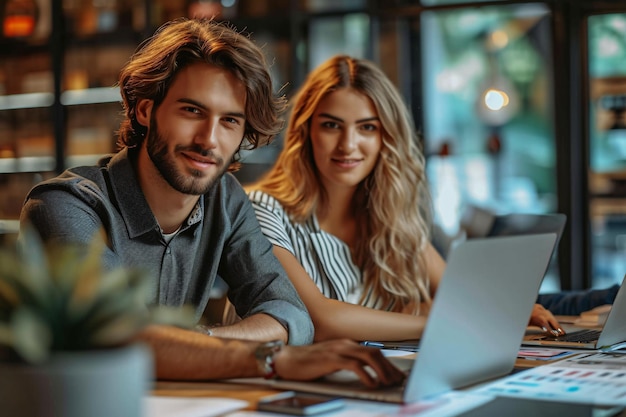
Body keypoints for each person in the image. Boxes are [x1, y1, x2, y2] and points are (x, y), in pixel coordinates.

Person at [18, 18, 404, 386]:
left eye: (230, 121)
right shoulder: (65, 206)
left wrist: (196, 342)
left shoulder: (225, 199)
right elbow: (116, 337)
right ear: (145, 109)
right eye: (192, 111)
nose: (209, 139)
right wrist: (267, 358)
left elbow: (290, 315)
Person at [246, 55, 564, 343]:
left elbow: (461, 296)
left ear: (386, 137)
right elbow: (321, 320)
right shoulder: (262, 210)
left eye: (367, 127)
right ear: (306, 131)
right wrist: (445, 320)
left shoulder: (391, 217)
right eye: (331, 125)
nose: (348, 144)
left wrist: (506, 312)